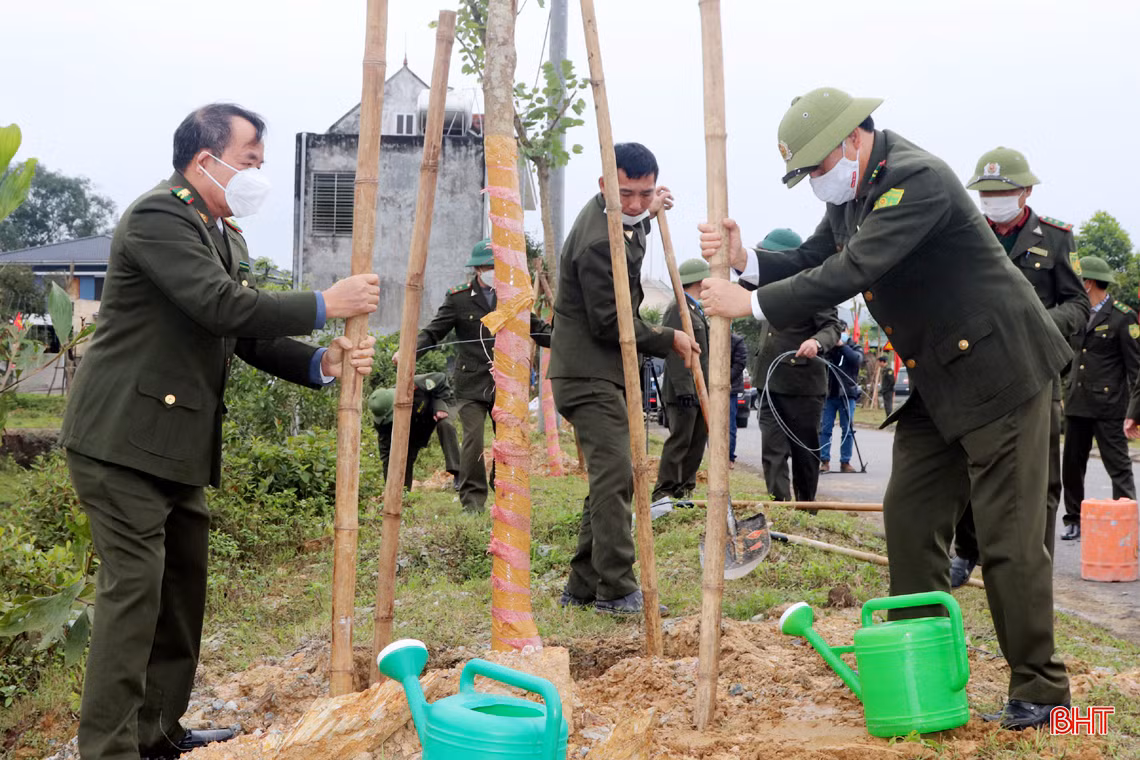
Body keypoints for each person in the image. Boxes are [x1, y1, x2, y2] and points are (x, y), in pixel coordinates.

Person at [697, 87, 1071, 729]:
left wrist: (752, 305)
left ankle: (1043, 695)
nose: (817, 184)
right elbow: (816, 255)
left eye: (817, 169)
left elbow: (852, 269)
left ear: (852, 140)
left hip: (1002, 375)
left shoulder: (915, 179)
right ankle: (924, 662)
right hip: (940, 381)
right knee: (909, 516)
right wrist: (747, 260)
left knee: (1008, 540)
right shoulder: (854, 193)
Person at [58, 104, 380, 760]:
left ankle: (157, 734)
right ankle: (109, 750)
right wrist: (326, 302)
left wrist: (320, 360)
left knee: (180, 595)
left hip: (174, 445)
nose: (258, 172)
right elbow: (219, 303)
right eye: (252, 158)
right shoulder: (159, 217)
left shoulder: (221, 233)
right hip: (120, 442)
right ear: (206, 161)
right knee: (134, 601)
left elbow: (241, 331)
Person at [549, 142, 699, 615]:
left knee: (608, 480)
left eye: (645, 193)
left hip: (599, 373)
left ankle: (581, 586)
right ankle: (617, 591)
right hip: (587, 374)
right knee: (617, 477)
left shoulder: (620, 220)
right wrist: (668, 336)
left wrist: (649, 215)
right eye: (626, 194)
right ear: (603, 186)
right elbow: (610, 323)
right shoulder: (598, 240)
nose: (634, 204)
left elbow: (631, 227)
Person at [949, 147, 1089, 585]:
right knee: (976, 466)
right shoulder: (965, 235)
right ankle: (967, 549)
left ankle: (1035, 554)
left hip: (1035, 374)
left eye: (1002, 190)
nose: (993, 199)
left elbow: (1080, 304)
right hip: (979, 373)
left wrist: (1041, 324)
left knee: (1040, 477)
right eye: (985, 191)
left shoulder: (1056, 239)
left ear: (1025, 191)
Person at [415, 239, 551, 513]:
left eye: (497, 266)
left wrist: (570, 339)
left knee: (509, 440)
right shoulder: (459, 298)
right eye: (488, 267)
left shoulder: (513, 298)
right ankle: (472, 502)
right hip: (471, 384)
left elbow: (538, 330)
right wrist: (408, 353)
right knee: (473, 440)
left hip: (507, 384)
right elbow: (433, 332)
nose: (492, 271)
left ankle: (501, 485)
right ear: (477, 269)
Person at [752, 228, 840, 501]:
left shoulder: (813, 287)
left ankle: (805, 507)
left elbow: (832, 326)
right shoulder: (765, 288)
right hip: (768, 383)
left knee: (804, 451)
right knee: (773, 449)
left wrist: (816, 342)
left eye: (770, 256)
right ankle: (779, 506)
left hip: (803, 386)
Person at [1060, 256, 1139, 540]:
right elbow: (1070, 358)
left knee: (1119, 469)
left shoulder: (1123, 316)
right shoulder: (1078, 313)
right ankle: (1074, 520)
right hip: (1078, 403)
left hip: (1110, 408)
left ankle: (1125, 523)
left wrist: (1134, 411)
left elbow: (1136, 369)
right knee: (1071, 467)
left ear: (1089, 282)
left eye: (1080, 280)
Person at [651, 258, 711, 502]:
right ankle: (664, 491)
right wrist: (686, 389)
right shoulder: (679, 308)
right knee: (680, 442)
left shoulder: (695, 309)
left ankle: (684, 489)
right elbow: (675, 352)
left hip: (699, 389)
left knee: (696, 442)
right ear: (699, 281)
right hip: (683, 390)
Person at [368, 372, 461, 491]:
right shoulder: (383, 424)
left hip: (435, 408)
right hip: (415, 425)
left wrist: (440, 406)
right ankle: (402, 495)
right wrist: (390, 488)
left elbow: (441, 379)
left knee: (445, 425)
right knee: (406, 456)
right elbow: (387, 455)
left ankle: (458, 472)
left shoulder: (413, 385)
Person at [819, 324, 862, 473]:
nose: (839, 335)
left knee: (848, 430)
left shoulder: (854, 347)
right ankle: (824, 461)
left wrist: (842, 346)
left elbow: (856, 360)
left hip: (847, 394)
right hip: (830, 395)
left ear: (847, 332)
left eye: (842, 331)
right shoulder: (828, 349)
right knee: (825, 429)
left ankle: (845, 462)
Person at [729, 331, 748, 466]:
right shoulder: (708, 337)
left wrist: (723, 379)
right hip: (709, 388)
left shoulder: (736, 340)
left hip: (730, 389)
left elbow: (740, 364)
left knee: (730, 424)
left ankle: (729, 457)